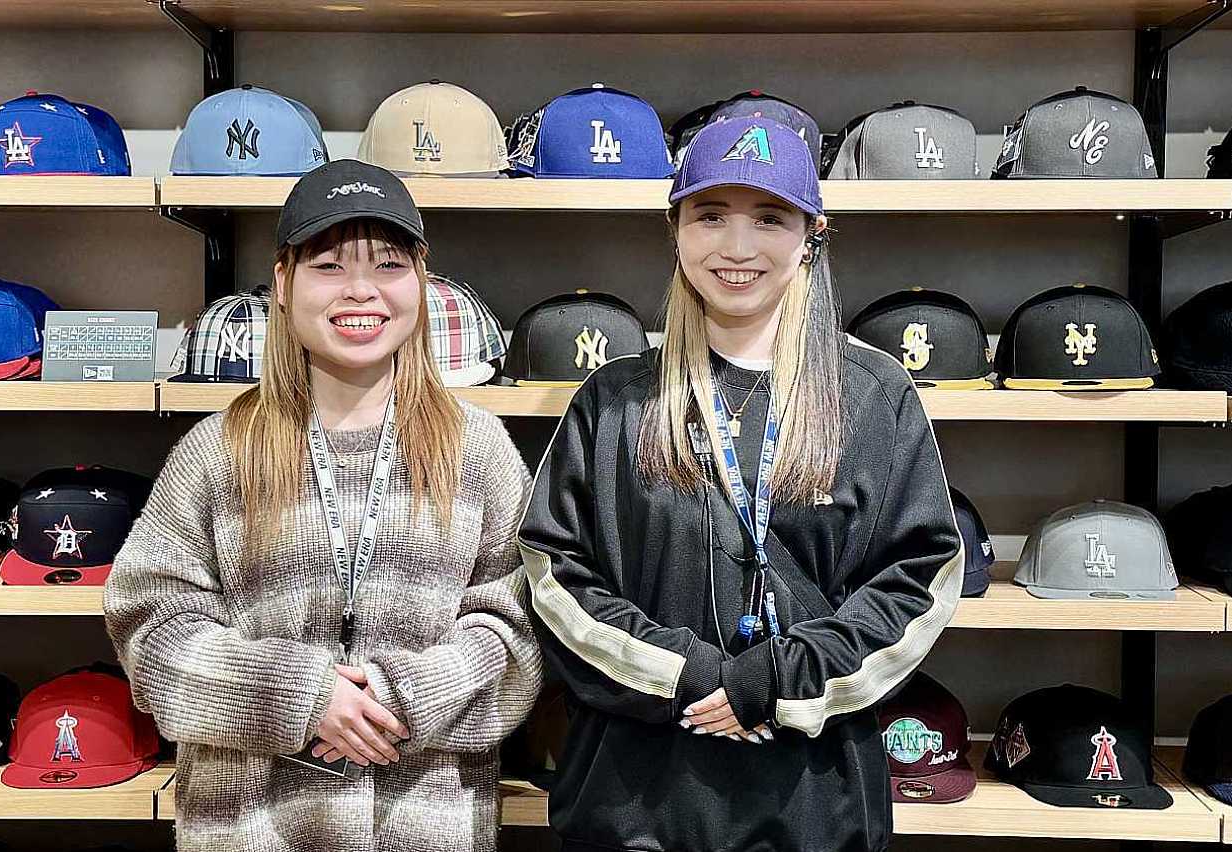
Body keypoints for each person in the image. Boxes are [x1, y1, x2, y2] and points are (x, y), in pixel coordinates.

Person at [517, 117, 964, 852]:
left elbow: (919, 580)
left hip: (813, 808)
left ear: (812, 233)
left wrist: (779, 679)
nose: (737, 246)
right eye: (710, 215)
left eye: (769, 218)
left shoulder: (873, 394)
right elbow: (554, 575)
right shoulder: (614, 400)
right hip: (636, 806)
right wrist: (688, 674)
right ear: (675, 229)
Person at [105, 159, 542, 852]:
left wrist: (401, 700)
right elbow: (150, 630)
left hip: (426, 826)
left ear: (421, 282)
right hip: (249, 829)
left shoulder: (478, 450)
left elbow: (517, 633)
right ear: (283, 283)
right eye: (329, 265)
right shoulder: (217, 452)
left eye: (389, 264)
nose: (361, 290)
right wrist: (301, 696)